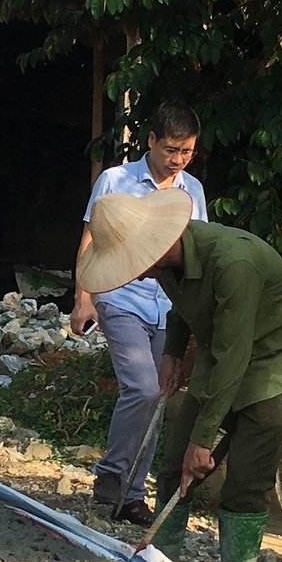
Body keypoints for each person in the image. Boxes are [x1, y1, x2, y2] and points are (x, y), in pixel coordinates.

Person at [75, 192, 282, 562]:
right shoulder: (171, 263)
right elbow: (184, 309)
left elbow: (234, 358)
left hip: (271, 365)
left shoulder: (232, 263)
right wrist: (172, 353)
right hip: (218, 356)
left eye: (133, 264)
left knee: (244, 484)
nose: (132, 275)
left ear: (155, 245)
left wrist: (204, 441)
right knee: (174, 470)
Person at [67, 104, 207, 523]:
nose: (177, 159)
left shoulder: (192, 190)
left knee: (160, 393)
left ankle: (131, 495)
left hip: (168, 306)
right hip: (119, 293)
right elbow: (90, 237)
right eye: (170, 149)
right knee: (142, 388)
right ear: (150, 140)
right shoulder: (116, 179)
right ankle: (109, 483)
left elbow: (197, 253)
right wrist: (83, 298)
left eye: (186, 152)